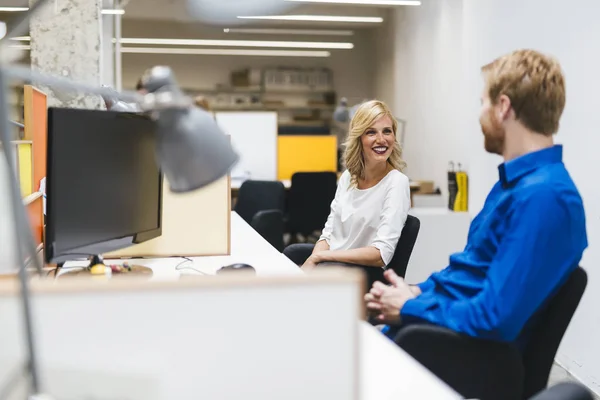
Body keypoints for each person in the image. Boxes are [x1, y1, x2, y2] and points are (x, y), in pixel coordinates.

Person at [365, 49, 588, 348]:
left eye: (483, 103)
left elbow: (494, 318)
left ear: (503, 107)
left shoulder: (545, 198)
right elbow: (470, 273)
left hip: (461, 353)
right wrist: (416, 292)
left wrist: (408, 308)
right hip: (437, 332)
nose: (480, 114)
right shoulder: (514, 186)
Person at [283, 100, 411, 287]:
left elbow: (380, 254)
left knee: (320, 271)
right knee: (292, 253)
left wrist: (321, 258)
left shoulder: (397, 182)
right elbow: (328, 234)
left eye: (387, 131)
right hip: (334, 261)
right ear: (359, 138)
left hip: (366, 272)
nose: (381, 139)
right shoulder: (348, 177)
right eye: (371, 132)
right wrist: (315, 259)